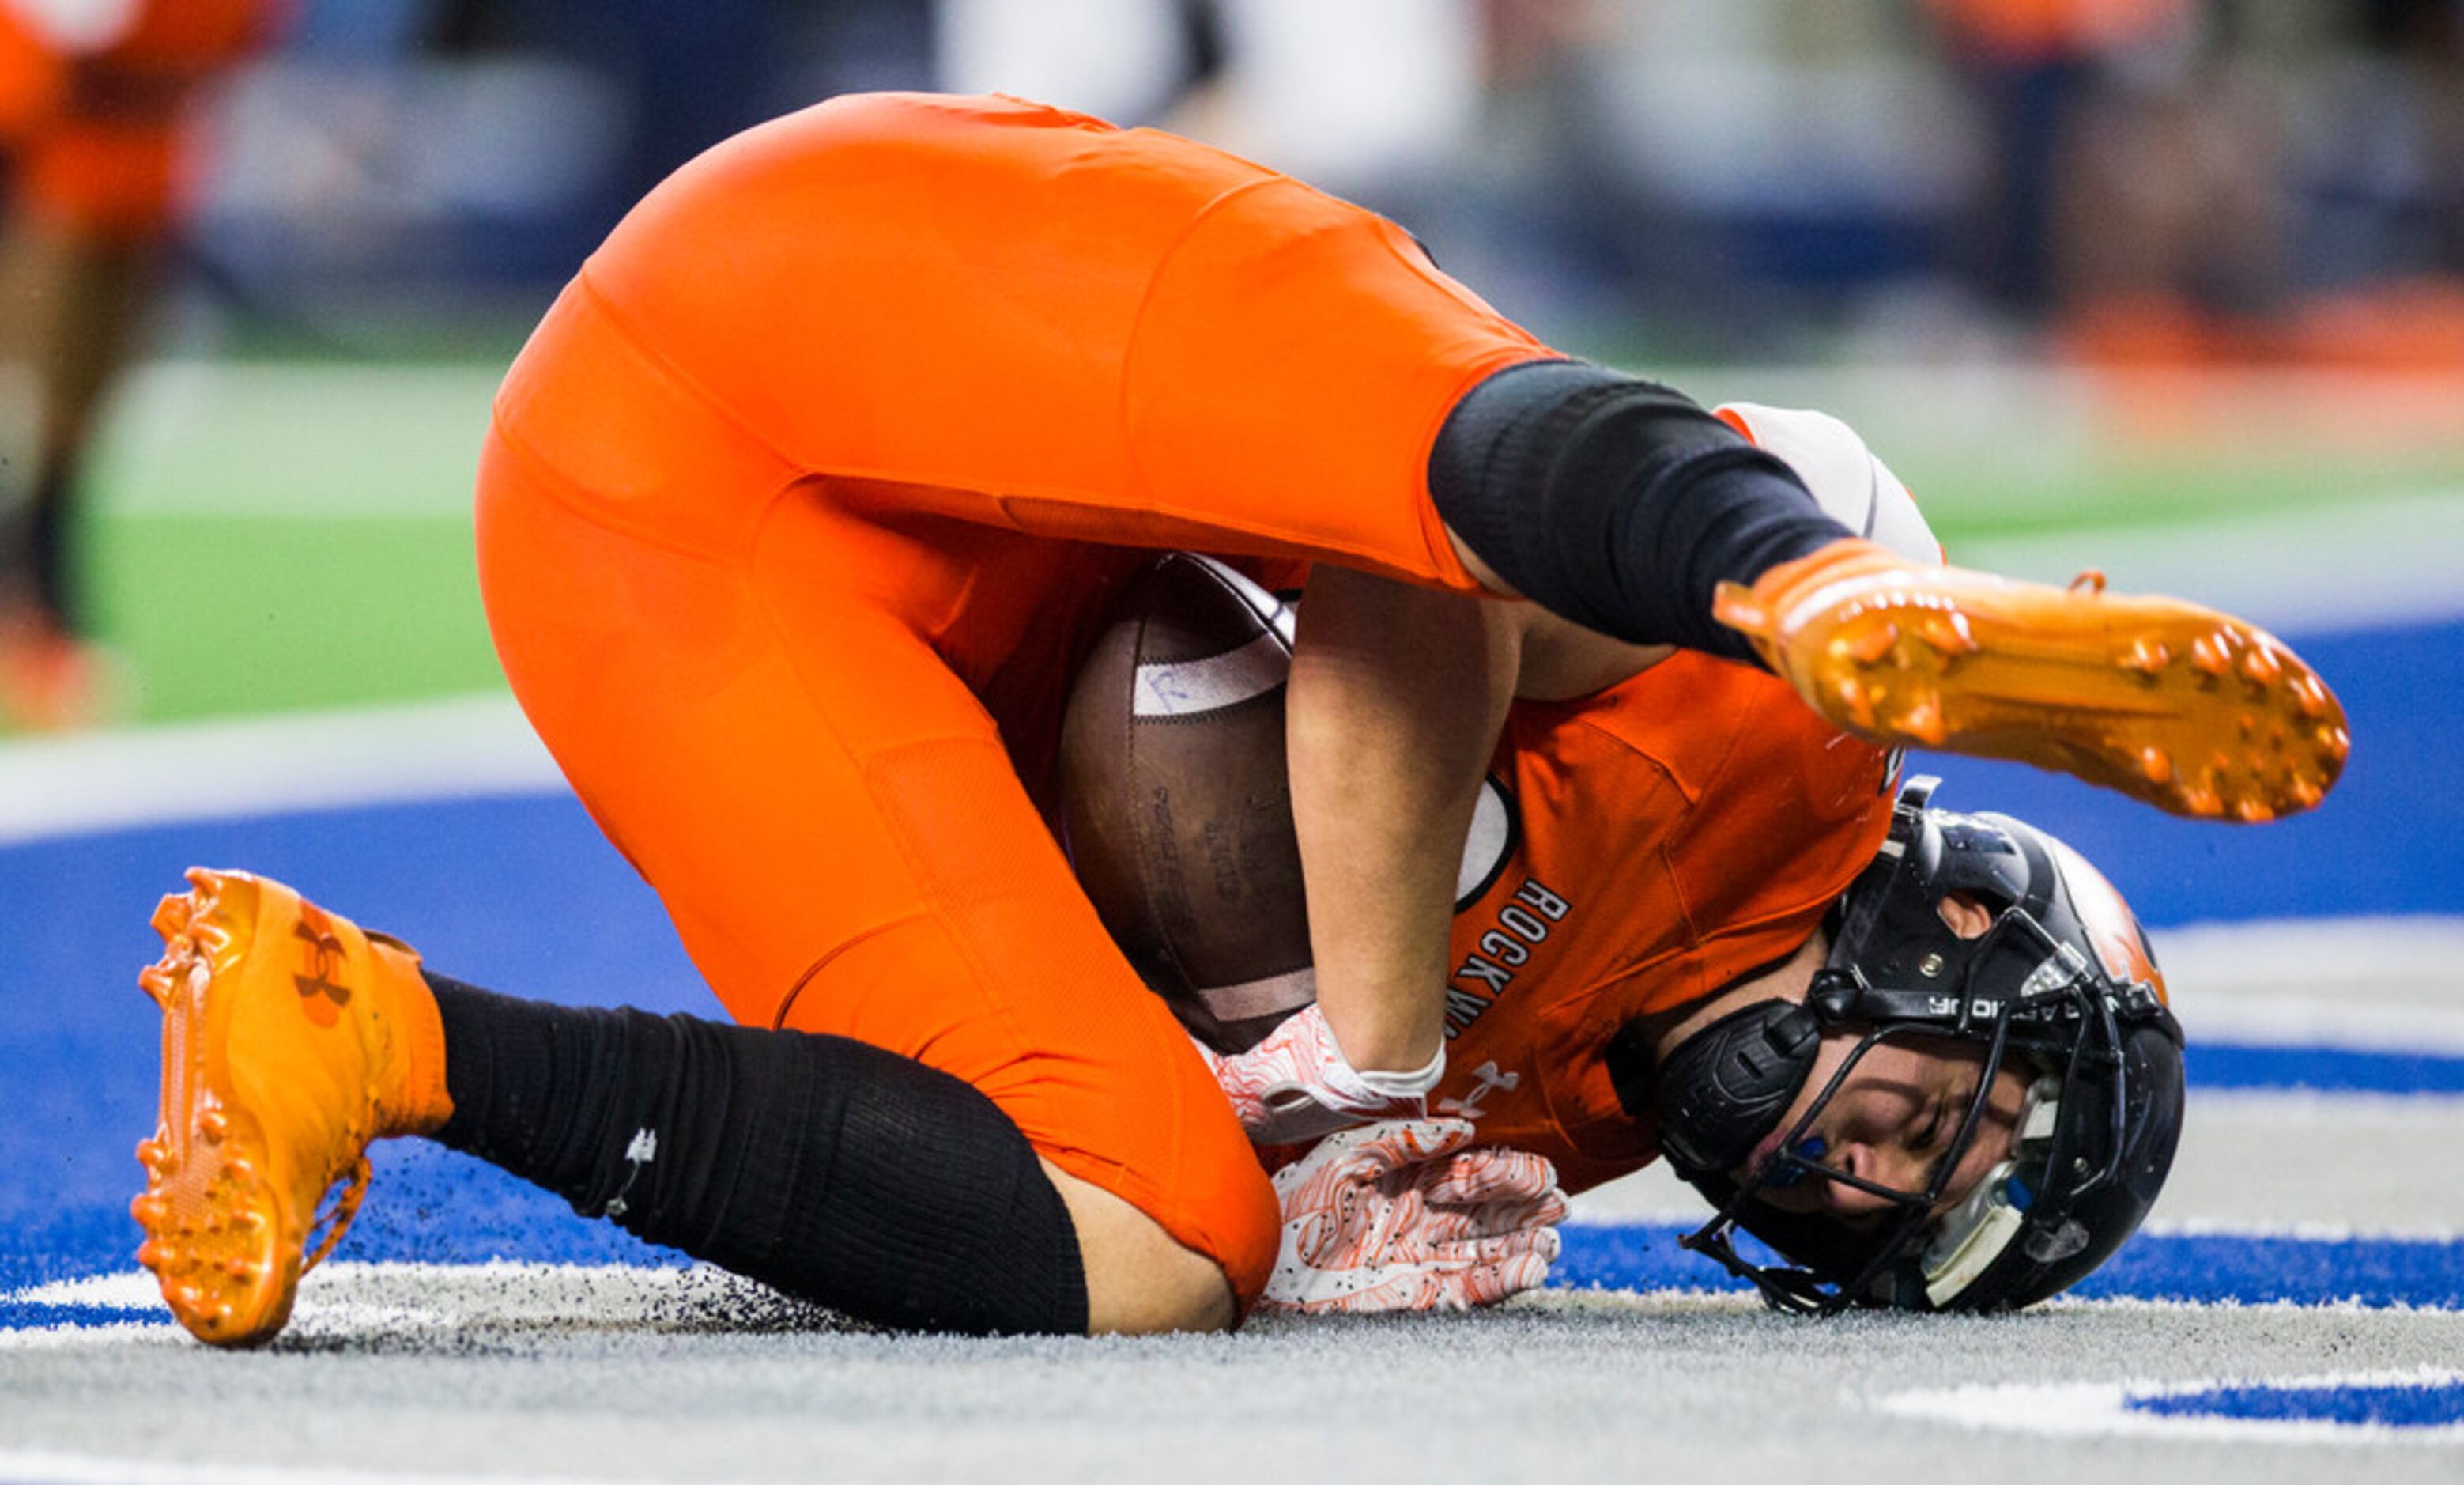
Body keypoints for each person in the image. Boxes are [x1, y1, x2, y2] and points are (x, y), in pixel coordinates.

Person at [128, 92, 2347, 1346]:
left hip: (670, 557)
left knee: (1159, 1243)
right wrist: (1376, 1056)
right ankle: (1804, 566)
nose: (1871, 1170)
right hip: (861, 309)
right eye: (1951, 1124)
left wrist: (1330, 1102)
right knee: (1428, 460)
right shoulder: (1792, 773)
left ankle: (372, 1030)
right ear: (1955, 934)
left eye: (1907, 1217)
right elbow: (1400, 566)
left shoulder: (1568, 1133)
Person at [0, 0, 275, 728]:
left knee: (77, 412)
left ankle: (43, 604)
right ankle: (36, 609)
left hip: (139, 173)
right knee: (33, 402)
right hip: (51, 174)